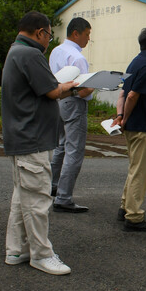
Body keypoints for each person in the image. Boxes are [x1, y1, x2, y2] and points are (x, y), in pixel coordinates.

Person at [1, 11, 79, 275]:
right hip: (31, 138)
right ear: (40, 33)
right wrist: (74, 85)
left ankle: (17, 249)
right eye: (49, 34)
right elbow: (52, 91)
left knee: (22, 197)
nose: (49, 40)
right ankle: (42, 254)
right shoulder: (31, 54)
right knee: (37, 199)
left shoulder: (16, 51)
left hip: (21, 137)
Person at [114, 27, 146, 231]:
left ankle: (124, 207)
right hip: (141, 126)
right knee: (140, 171)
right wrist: (125, 118)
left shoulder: (135, 62)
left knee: (134, 168)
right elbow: (132, 95)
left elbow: (122, 93)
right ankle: (134, 215)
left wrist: (120, 117)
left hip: (132, 127)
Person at [49, 17, 95, 213]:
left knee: (60, 146)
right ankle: (64, 197)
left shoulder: (56, 51)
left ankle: (51, 185)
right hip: (74, 103)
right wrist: (96, 85)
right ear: (76, 33)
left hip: (56, 101)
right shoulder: (77, 58)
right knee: (74, 150)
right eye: (87, 34)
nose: (88, 39)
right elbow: (84, 89)